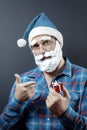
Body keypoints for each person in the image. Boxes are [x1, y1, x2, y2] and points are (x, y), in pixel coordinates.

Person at [0, 12, 87, 130]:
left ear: (59, 44)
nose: (41, 50)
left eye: (46, 42)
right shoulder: (23, 81)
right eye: (35, 46)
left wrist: (65, 113)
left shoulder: (84, 77)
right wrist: (17, 101)